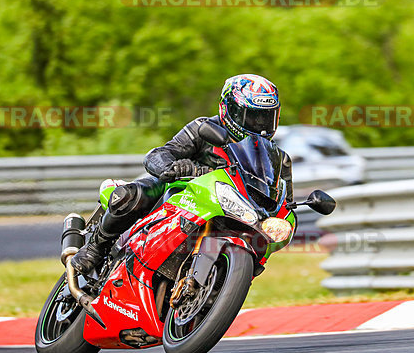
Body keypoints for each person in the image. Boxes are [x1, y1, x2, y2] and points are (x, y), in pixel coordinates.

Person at [71, 74, 293, 275]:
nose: (259, 126)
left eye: (265, 118)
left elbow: (284, 201)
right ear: (228, 109)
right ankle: (95, 249)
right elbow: (159, 155)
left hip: (236, 212)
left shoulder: (279, 159)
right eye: (252, 117)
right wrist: (172, 168)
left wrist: (289, 213)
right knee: (131, 195)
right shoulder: (202, 128)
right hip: (183, 193)